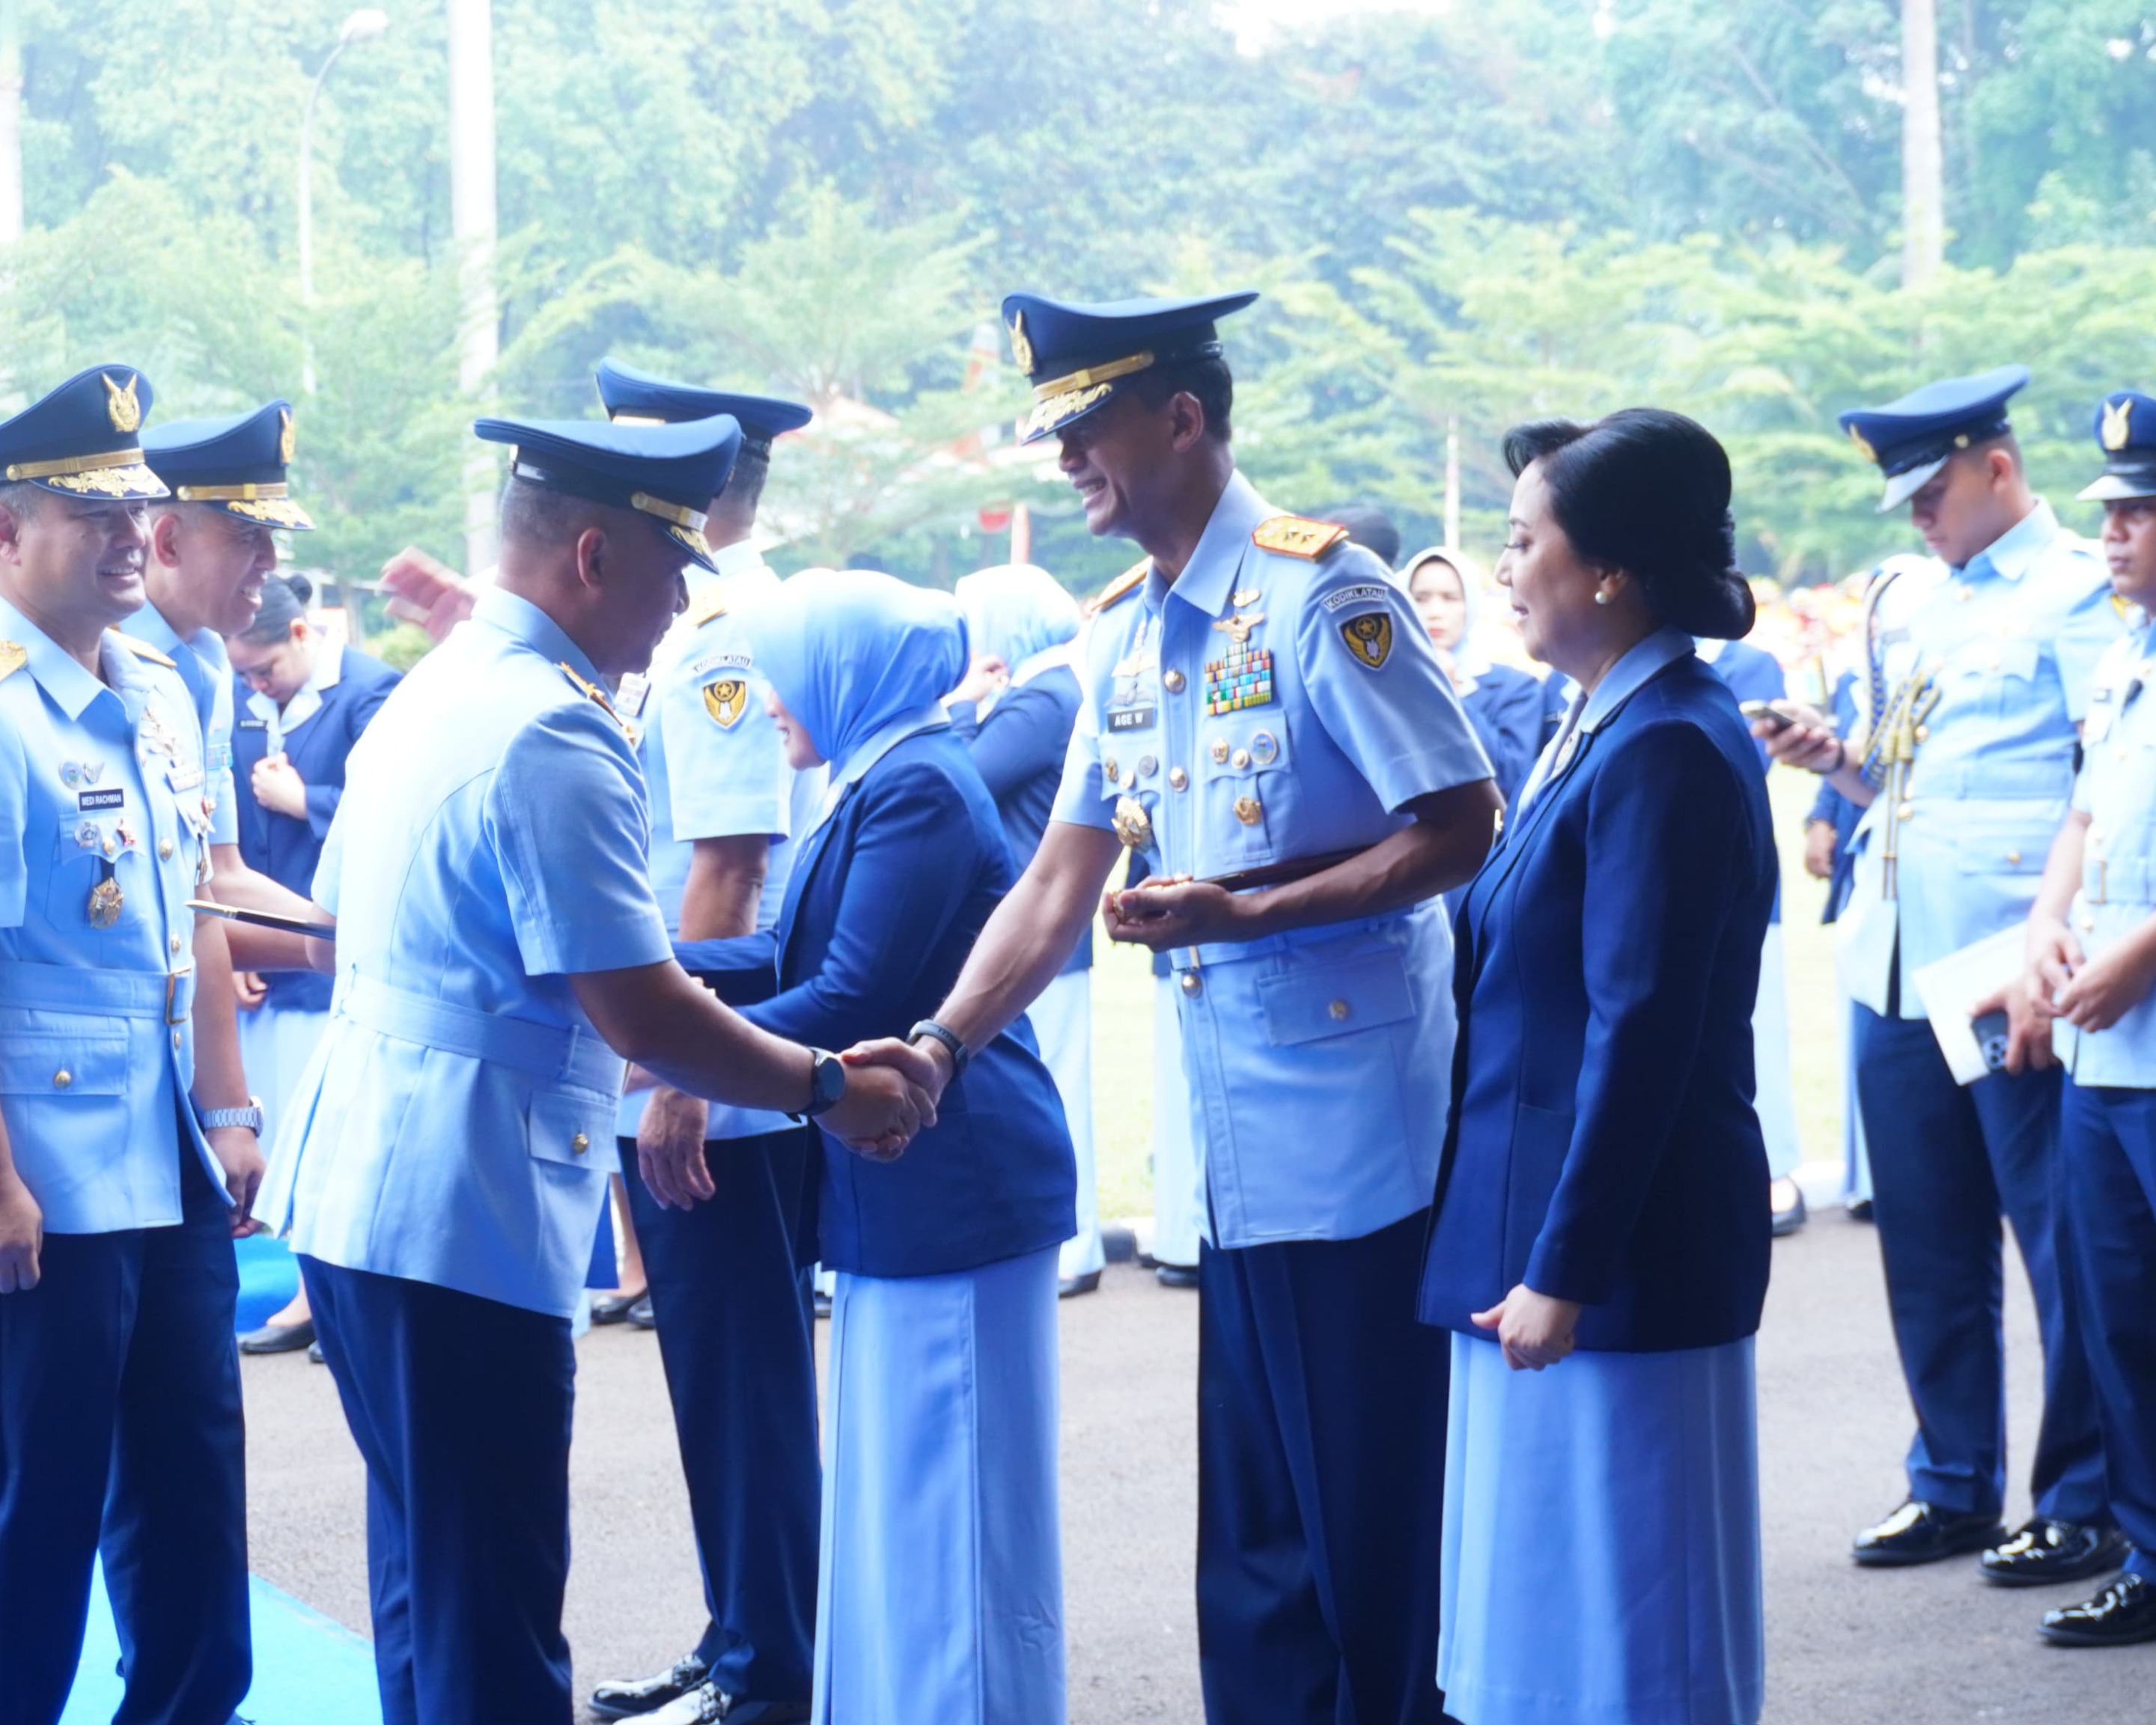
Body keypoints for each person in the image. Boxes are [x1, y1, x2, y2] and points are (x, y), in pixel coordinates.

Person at [254, 409, 936, 1725]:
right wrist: (828, 1087)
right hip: (460, 1209)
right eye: (672, 572)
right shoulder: (552, 730)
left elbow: (355, 915)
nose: (684, 606)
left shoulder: (435, 687)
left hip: (364, 1187)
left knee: (429, 1587)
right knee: (495, 1616)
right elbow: (640, 1008)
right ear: (590, 557)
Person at [897, 289, 1502, 1724]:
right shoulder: (1123, 635)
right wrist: (935, 1049)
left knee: (1371, 1533)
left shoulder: (1325, 596)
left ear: (1182, 418)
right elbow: (1059, 878)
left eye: (1086, 428)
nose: (1064, 463)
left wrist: (1250, 908)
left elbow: (1462, 822)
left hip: (1358, 1150)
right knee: (1256, 1547)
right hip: (1229, 1161)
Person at [1420, 407, 1775, 1725]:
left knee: (1634, 1627)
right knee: (1544, 1623)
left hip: (1610, 1257)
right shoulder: (1602, 721)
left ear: (1610, 568)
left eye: (1524, 541)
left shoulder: (1669, 740)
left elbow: (1643, 1032)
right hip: (1538, 1239)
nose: (1505, 568)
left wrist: (1564, 1269)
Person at [686, 568, 1077, 1725]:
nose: (765, 701)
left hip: (953, 1177)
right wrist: (635, 975)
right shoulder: (887, 773)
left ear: (845, 673)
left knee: (944, 1501)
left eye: (783, 674)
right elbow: (792, 959)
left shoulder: (915, 787)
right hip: (905, 1173)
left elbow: (850, 990)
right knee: (912, 1500)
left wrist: (671, 1050)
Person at [1758, 365, 2122, 1581]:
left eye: (1932, 489)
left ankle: (2083, 1494)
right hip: (1898, 949)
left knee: (2062, 1240)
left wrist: (2054, 945)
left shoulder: (2079, 594)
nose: (1917, 516)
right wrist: (1841, 765)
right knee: (1925, 1234)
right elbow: (1913, 784)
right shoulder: (1930, 603)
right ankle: (1954, 1478)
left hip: (2011, 960)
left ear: (1998, 466)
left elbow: (2106, 783)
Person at [0, 365, 265, 1725]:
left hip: (162, 1151)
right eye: (84, 510)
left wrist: (231, 1107)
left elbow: (196, 922)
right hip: (44, 1170)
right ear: (6, 533)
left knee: (193, 1488)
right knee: (33, 1513)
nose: (123, 534)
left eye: (134, 509)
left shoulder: (165, 690)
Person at [577, 361, 828, 1725]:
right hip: (688, 1061)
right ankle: (743, 1627)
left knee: (744, 1380)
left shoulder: (721, 628)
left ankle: (769, 1668)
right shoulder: (689, 625)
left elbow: (729, 859)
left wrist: (679, 1073)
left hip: (711, 1072)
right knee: (719, 1376)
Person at [2015, 390, 2156, 1646]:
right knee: (2119, 1312)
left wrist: (2138, 957)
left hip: (2145, 1022)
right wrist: (2047, 928)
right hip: (2106, 1051)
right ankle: (2153, 1554)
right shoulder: (2127, 659)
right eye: (2108, 508)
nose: (2112, 530)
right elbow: (2080, 815)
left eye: (2139, 508)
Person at [224, 573, 398, 1357]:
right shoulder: (231, 700)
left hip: (334, 948)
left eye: (266, 669)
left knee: (335, 1137)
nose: (256, 684)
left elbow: (396, 810)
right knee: (284, 1134)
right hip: (266, 959)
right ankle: (309, 1293)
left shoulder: (369, 692)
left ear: (302, 635)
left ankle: (322, 1299)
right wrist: (226, 945)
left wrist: (307, 801)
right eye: (246, 674)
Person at [946, 561, 1101, 1297]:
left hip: (1035, 929)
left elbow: (959, 780)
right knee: (1057, 1080)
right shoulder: (1048, 692)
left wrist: (957, 703)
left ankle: (1071, 1247)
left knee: (1054, 1085)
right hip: (1045, 927)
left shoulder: (1039, 699)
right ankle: (1076, 1244)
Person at [133, 401, 329, 975]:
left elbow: (220, 878)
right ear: (168, 544)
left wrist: (361, 945)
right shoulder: (93, 654)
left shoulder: (209, 663)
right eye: (248, 535)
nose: (271, 561)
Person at [1698, 630, 1808, 1235]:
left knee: (1758, 1021)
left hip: (1732, 865)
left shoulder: (1747, 663)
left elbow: (1749, 757)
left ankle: (1774, 1167)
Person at [1401, 544, 1544, 804]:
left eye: (1450, 598)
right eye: (1420, 598)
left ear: (1471, 604)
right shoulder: (1389, 686)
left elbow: (1512, 778)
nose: (1434, 612)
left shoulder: (1516, 689)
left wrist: (1450, 691)